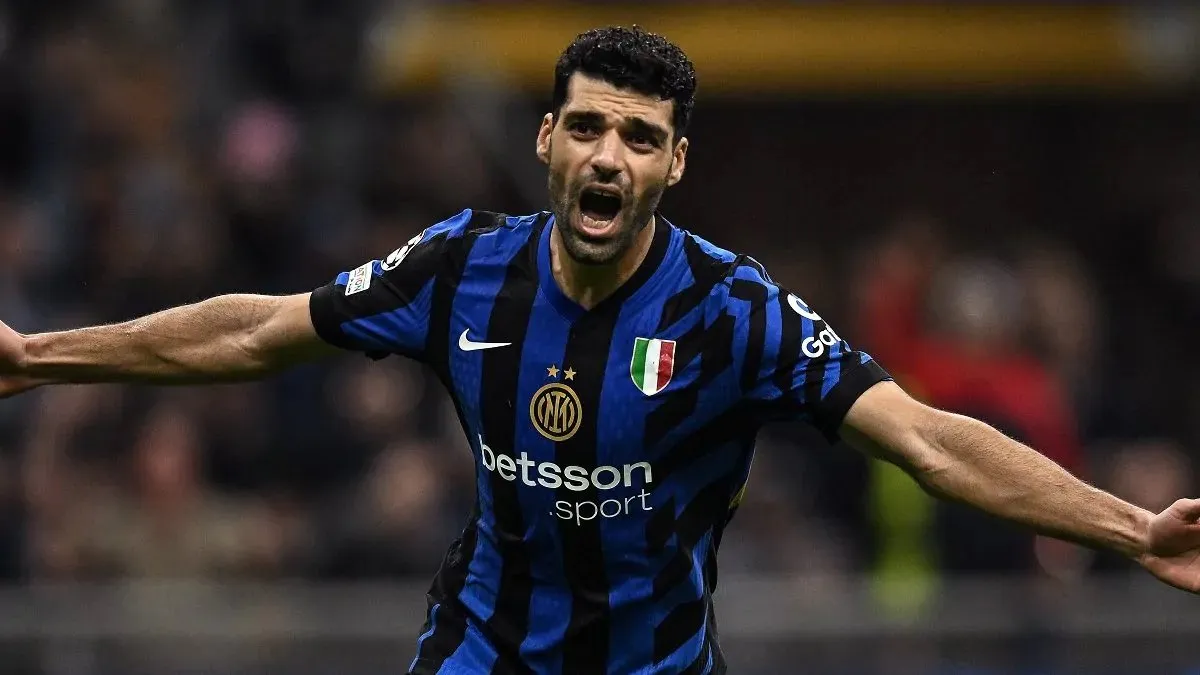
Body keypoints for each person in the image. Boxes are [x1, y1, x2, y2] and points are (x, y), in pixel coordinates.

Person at [0, 26, 1198, 675]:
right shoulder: (460, 266)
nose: (608, 156)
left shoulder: (734, 311)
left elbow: (930, 441)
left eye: (639, 136)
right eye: (586, 126)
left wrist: (1132, 530)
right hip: (479, 655)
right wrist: (41, 355)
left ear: (674, 163)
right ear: (546, 141)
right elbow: (261, 330)